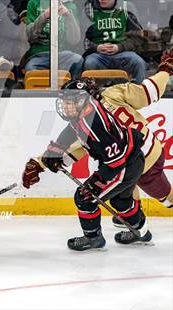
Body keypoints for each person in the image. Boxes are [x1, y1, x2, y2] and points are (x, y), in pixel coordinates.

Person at [22, 48, 173, 217]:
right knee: (124, 187)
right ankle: (134, 217)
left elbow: (75, 149)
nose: (69, 106)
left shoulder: (88, 123)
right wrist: (165, 71)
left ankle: (138, 217)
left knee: (162, 196)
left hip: (146, 157)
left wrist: (41, 163)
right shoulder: (111, 94)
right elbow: (148, 92)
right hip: (142, 150)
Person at [30, 86, 150, 251]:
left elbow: (115, 161)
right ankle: (141, 232)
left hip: (122, 165)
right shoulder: (86, 109)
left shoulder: (94, 124)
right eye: (64, 102)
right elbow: (73, 128)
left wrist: (96, 183)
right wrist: (57, 149)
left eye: (69, 102)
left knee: (84, 197)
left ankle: (93, 238)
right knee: (121, 200)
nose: (65, 106)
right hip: (131, 158)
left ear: (80, 101)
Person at [82, 0, 147, 83]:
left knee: (138, 62)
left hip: (123, 53)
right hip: (98, 56)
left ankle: (138, 93)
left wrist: (120, 47)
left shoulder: (125, 11)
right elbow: (84, 40)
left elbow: (137, 38)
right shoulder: (90, 13)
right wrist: (96, 48)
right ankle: (92, 92)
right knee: (89, 62)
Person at [24, 0, 83, 79]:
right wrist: (44, 16)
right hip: (38, 54)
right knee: (31, 68)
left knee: (77, 60)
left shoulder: (70, 6)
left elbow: (74, 41)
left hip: (62, 55)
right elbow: (28, 36)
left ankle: (68, 89)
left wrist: (69, 16)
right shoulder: (34, 2)